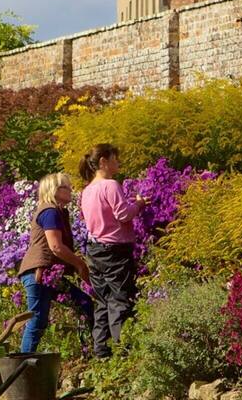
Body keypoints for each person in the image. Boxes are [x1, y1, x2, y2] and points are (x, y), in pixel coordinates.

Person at [77, 143, 146, 358]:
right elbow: (123, 215)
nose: (118, 163)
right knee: (119, 299)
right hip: (115, 249)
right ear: (103, 162)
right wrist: (139, 204)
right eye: (115, 159)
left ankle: (101, 350)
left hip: (95, 250)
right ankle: (123, 350)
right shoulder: (110, 185)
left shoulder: (86, 191)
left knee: (102, 300)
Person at [17, 172, 96, 354]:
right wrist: (80, 265)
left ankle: (92, 349)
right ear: (53, 190)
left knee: (84, 303)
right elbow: (56, 247)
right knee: (37, 320)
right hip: (39, 273)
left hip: (49, 274)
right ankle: (23, 366)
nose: (70, 190)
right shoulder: (50, 212)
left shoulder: (57, 212)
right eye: (65, 187)